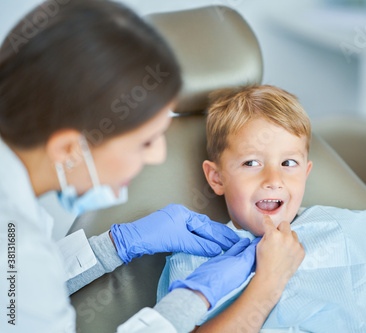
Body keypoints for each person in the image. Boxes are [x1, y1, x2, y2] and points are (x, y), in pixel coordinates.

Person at [0, 2, 304, 333]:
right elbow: (23, 282)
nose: (159, 155)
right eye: (145, 142)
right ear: (70, 149)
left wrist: (114, 246)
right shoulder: (21, 245)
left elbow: (11, 288)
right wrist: (204, 297)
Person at [157, 85, 366, 332]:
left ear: (306, 173)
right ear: (217, 178)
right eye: (251, 163)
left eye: (288, 162)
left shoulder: (343, 233)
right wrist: (269, 281)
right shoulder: (194, 258)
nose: (273, 180)